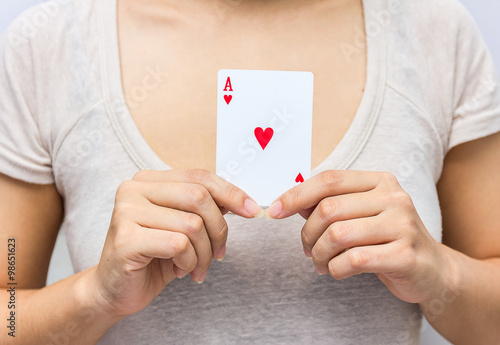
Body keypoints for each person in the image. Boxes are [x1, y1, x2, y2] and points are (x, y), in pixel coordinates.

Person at [1, 0, 499, 344]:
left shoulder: (436, 34)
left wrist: (440, 272)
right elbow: (8, 316)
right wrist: (95, 295)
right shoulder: (46, 48)